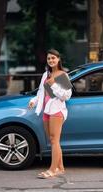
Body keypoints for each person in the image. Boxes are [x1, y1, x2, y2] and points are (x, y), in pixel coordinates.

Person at [28, 49, 72, 179]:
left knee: (55, 140)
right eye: (49, 59)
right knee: (52, 140)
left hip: (57, 110)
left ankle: (52, 169)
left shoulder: (62, 75)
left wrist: (53, 85)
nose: (51, 60)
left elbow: (66, 96)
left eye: (53, 58)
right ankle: (60, 168)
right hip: (46, 110)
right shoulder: (45, 75)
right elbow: (41, 92)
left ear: (58, 59)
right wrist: (33, 101)